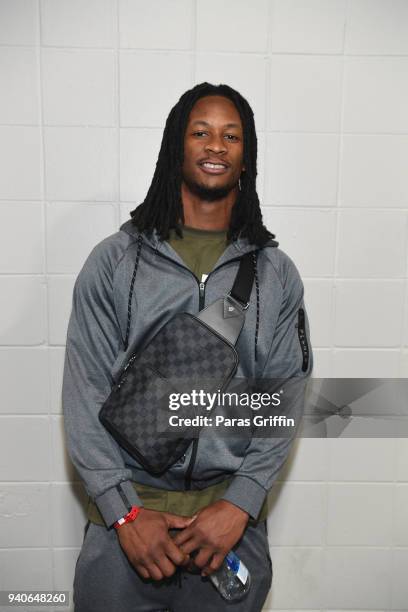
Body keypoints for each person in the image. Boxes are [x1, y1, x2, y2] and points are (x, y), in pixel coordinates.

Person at [62, 82, 313, 612]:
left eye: (231, 136)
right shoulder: (114, 263)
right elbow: (83, 396)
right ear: (177, 148)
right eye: (200, 132)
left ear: (247, 158)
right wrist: (124, 512)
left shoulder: (276, 273)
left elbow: (283, 398)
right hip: (125, 530)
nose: (215, 146)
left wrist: (240, 505)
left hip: (227, 533)